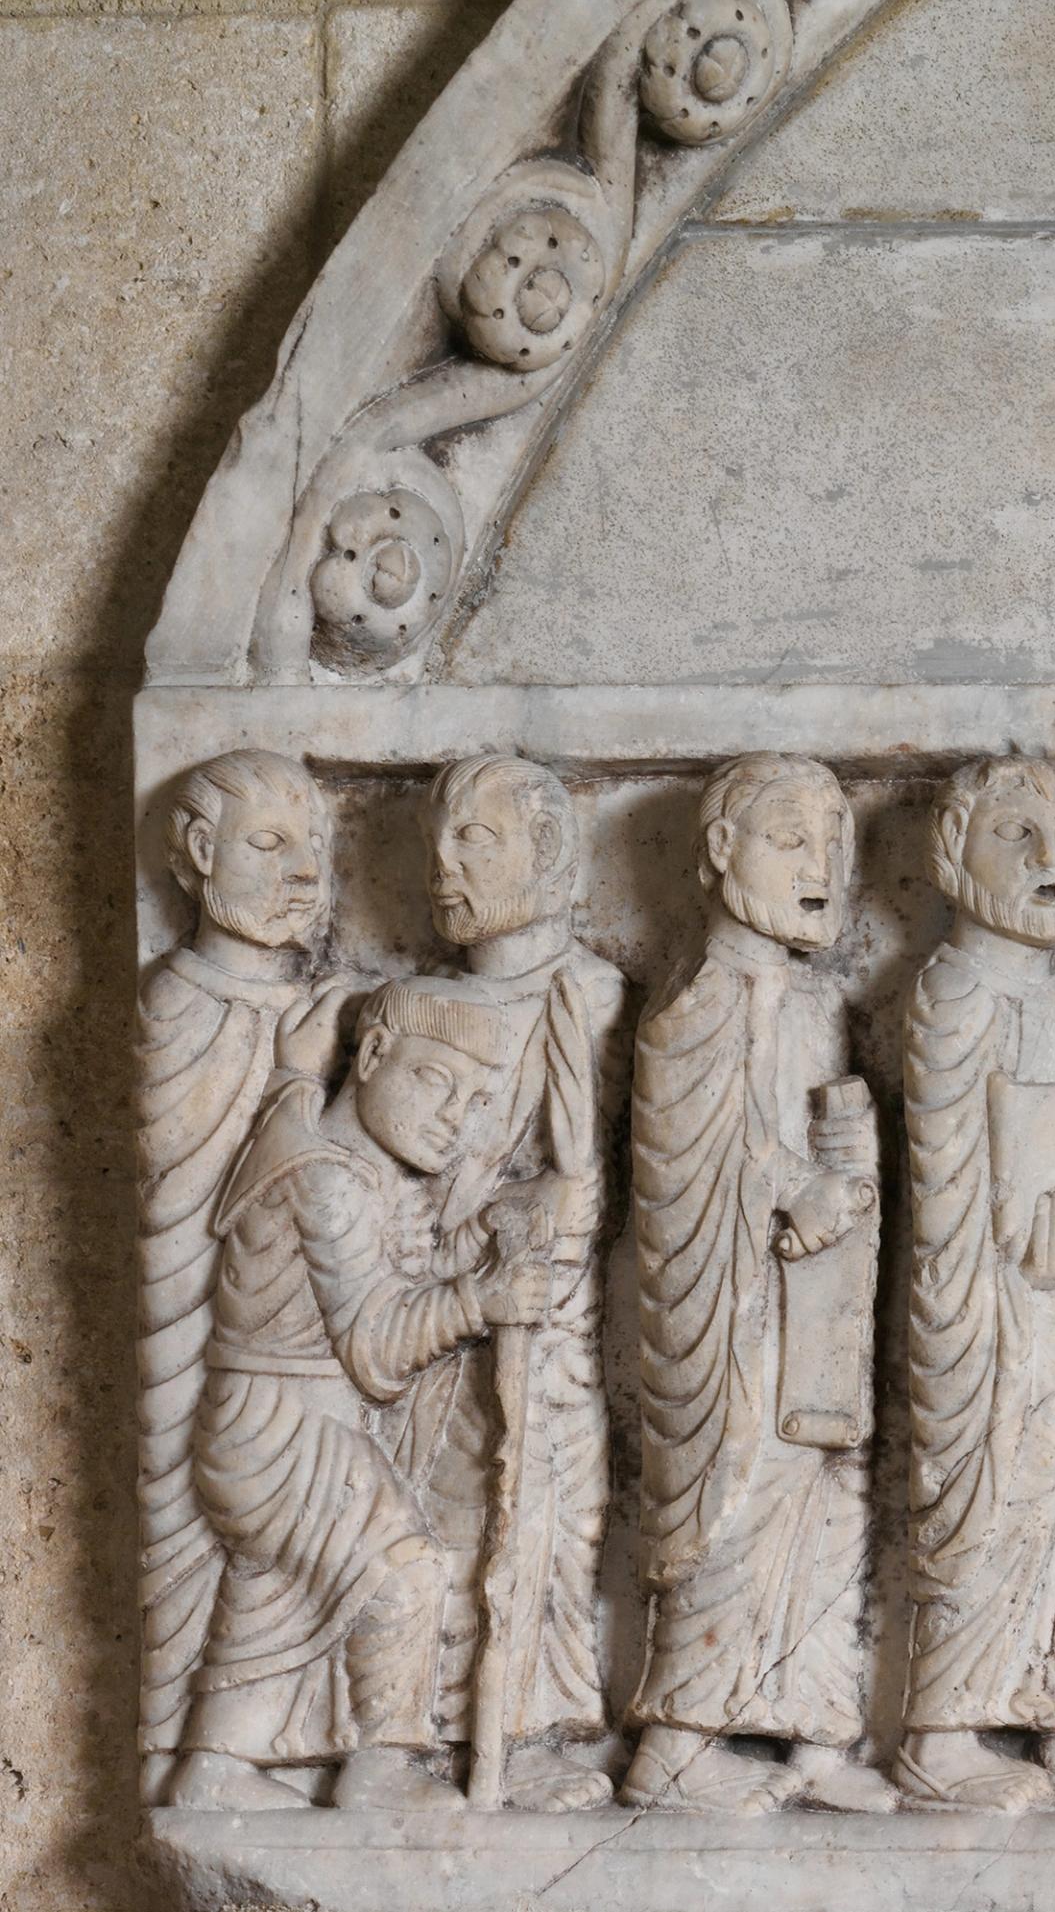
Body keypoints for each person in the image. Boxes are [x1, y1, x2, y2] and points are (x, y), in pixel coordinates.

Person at [169, 999, 575, 1809]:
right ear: (374, 1052)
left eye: (473, 1102)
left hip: (275, 1423)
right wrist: (482, 1300)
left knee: (276, 1593)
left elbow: (402, 1275)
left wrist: (491, 1232)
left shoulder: (339, 1157)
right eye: (434, 1081)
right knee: (403, 1567)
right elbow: (375, 1341)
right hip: (284, 1427)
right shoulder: (327, 1182)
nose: (451, 1119)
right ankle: (380, 1766)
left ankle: (213, 1772)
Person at [622, 754, 895, 1814]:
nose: (819, 862)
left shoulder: (807, 995)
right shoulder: (704, 995)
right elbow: (690, 1145)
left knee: (824, 1494)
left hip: (810, 1305)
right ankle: (674, 1746)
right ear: (717, 853)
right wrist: (790, 1190)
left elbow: (807, 1136)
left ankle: (817, 1735)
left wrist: (846, 1164)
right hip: (730, 1310)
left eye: (832, 842)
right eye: (790, 838)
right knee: (732, 1500)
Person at [893, 757, 1055, 1814]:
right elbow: (948, 1174)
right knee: (983, 1491)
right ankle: (939, 1731)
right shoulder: (951, 993)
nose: (1052, 861)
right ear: (951, 859)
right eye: (1017, 837)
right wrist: (1023, 1233)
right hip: (986, 1309)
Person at [367, 753, 622, 1809]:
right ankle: (426, 1729)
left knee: (561, 1514)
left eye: (476, 836)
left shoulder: (594, 994)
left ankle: (537, 1727)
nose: (444, 862)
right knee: (455, 1510)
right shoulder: (409, 1007)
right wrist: (493, 1221)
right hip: (444, 1310)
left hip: (564, 1321)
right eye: (436, 838)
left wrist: (573, 1201)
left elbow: (628, 1164)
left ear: (552, 853)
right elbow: (381, 1182)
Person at [139, 750, 351, 1789]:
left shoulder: (321, 1008)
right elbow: (199, 1201)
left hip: (316, 1349)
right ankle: (190, 1743)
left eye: (316, 847)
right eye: (270, 844)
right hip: (199, 1344)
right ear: (193, 853)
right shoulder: (175, 1003)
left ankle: (288, 1741)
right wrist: (297, 1080)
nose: (305, 872)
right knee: (192, 1521)